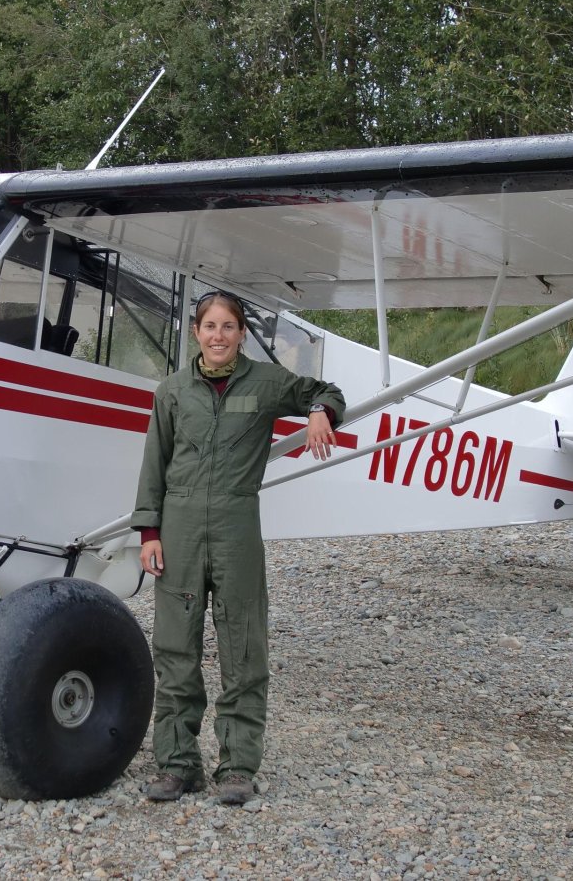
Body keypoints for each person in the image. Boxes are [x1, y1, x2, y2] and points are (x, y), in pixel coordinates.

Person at [130, 292, 345, 806]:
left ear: (242, 333)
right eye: (210, 326)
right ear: (196, 331)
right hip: (178, 529)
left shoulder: (267, 383)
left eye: (228, 326)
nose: (219, 335)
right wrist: (148, 533)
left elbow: (328, 390)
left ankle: (238, 767)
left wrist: (319, 412)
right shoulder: (173, 391)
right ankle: (178, 764)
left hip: (236, 526)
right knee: (175, 649)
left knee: (244, 649)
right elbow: (153, 463)